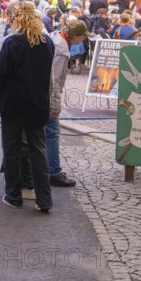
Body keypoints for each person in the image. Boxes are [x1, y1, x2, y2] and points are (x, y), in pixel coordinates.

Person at [0, 1, 55, 211]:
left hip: (13, 103)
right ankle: (44, 199)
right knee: (38, 149)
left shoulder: (11, 42)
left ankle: (13, 195)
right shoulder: (47, 42)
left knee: (12, 149)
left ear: (16, 18)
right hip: (38, 103)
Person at [47, 22, 91, 187]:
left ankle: (47, 169)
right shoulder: (61, 50)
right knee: (52, 132)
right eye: (83, 35)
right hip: (47, 96)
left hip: (40, 94)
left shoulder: (57, 38)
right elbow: (54, 80)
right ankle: (53, 172)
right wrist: (56, 105)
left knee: (44, 133)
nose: (85, 38)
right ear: (75, 35)